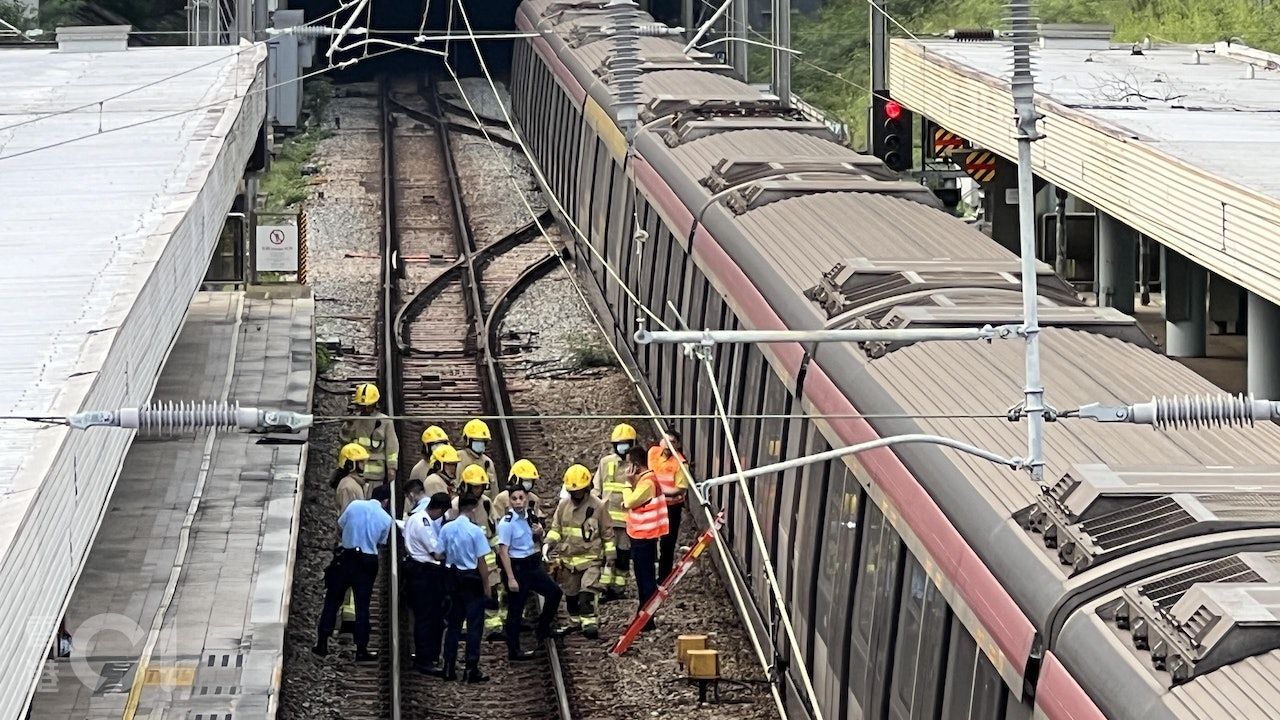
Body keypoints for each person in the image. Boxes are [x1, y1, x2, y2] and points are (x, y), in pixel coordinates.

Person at [313, 492, 394, 661]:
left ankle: (322, 643)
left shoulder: (355, 505)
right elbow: (381, 542)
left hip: (346, 558)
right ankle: (361, 649)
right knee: (362, 606)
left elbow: (341, 525)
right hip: (367, 562)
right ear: (385, 501)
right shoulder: (386, 519)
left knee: (332, 600)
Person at [546, 464, 613, 639]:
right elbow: (556, 529)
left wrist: (610, 560)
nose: (575, 495)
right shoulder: (563, 506)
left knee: (587, 594)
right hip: (569, 561)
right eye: (572, 492)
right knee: (571, 595)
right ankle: (575, 621)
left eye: (578, 491)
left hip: (591, 560)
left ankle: (590, 623)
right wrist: (549, 544)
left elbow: (607, 534)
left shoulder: (598, 506)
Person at [496, 485, 562, 660]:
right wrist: (510, 578)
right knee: (516, 610)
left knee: (554, 592)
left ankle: (543, 627)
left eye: (521, 498)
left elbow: (536, 540)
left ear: (526, 498)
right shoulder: (507, 523)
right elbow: (503, 552)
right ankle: (514, 650)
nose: (518, 502)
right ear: (509, 501)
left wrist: (540, 533)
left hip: (533, 563)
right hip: (518, 567)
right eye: (514, 498)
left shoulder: (530, 516)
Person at [439, 493, 494, 682]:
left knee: (453, 625)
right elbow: (482, 562)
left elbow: (439, 554)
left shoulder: (447, 529)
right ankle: (471, 668)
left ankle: (448, 666)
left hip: (453, 580)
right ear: (473, 509)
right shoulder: (475, 531)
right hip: (471, 581)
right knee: (474, 626)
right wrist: (487, 587)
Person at [401, 484, 451, 676]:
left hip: (422, 572)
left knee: (431, 617)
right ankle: (424, 659)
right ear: (439, 509)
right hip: (423, 574)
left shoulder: (417, 518)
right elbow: (437, 554)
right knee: (426, 617)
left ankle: (429, 656)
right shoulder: (423, 522)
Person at [452, 465, 505, 640]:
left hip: (485, 555)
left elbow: (494, 530)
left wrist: (500, 550)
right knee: (465, 593)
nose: (478, 490)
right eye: (475, 486)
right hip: (465, 558)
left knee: (493, 587)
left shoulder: (487, 503)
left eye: (481, 487)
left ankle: (493, 625)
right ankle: (465, 626)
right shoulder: (455, 505)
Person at [622, 446, 668, 632]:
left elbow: (629, 502)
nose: (626, 468)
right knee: (642, 577)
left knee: (645, 578)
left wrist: (627, 483)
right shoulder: (643, 480)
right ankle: (643, 614)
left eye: (628, 463)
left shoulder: (647, 482)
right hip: (642, 535)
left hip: (645, 537)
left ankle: (647, 618)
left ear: (635, 465)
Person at [331, 443, 371, 633]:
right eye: (360, 462)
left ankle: (350, 619)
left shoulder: (355, 484)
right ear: (350, 464)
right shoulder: (348, 486)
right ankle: (347, 620)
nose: (364, 465)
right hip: (351, 543)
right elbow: (348, 517)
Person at [593, 423, 635, 601]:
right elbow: (596, 488)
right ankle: (603, 588)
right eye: (619, 443)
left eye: (625, 443)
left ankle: (618, 588)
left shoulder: (636, 465)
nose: (622, 447)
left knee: (623, 556)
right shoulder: (606, 463)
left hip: (627, 521)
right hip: (607, 520)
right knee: (606, 555)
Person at [339, 383, 400, 490]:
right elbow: (344, 441)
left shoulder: (385, 422)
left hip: (376, 475)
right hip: (356, 472)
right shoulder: (354, 420)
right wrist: (348, 425)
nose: (364, 409)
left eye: (367, 405)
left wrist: (392, 468)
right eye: (362, 406)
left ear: (374, 404)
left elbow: (392, 447)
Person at [648, 431, 689, 579]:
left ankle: (664, 576)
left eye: (672, 442)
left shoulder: (680, 463)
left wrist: (661, 492)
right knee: (650, 538)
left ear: (677, 445)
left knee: (667, 542)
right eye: (665, 440)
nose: (667, 444)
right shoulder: (653, 453)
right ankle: (651, 572)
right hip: (654, 504)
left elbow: (681, 487)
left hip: (671, 507)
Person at [456, 418, 497, 498]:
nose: (480, 444)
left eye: (483, 441)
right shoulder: (457, 457)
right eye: (477, 440)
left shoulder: (488, 462)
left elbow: (494, 490)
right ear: (467, 440)